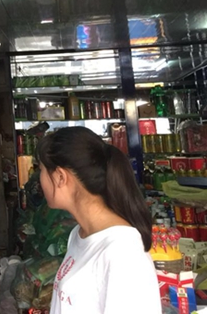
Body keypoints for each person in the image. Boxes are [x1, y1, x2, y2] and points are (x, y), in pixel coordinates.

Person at [36, 127, 160, 313]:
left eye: (41, 170)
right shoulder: (79, 235)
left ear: (60, 177)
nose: (39, 180)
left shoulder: (123, 252)